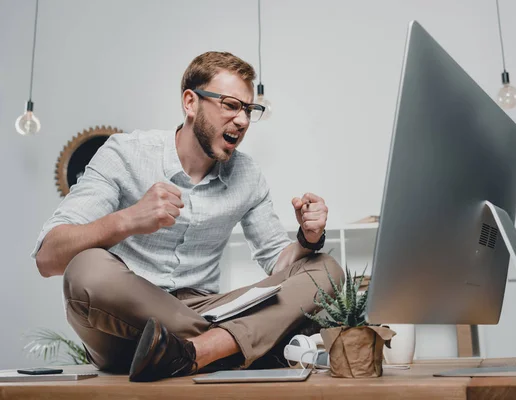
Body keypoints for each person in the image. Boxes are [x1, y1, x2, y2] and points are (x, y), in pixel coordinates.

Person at [32, 51, 344, 382]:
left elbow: (279, 264)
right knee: (85, 269)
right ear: (190, 103)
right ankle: (231, 345)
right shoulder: (124, 154)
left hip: (205, 308)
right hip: (122, 327)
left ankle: (198, 353)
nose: (242, 120)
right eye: (230, 105)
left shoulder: (248, 175)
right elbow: (47, 258)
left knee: (325, 269)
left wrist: (307, 238)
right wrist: (128, 220)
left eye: (249, 110)